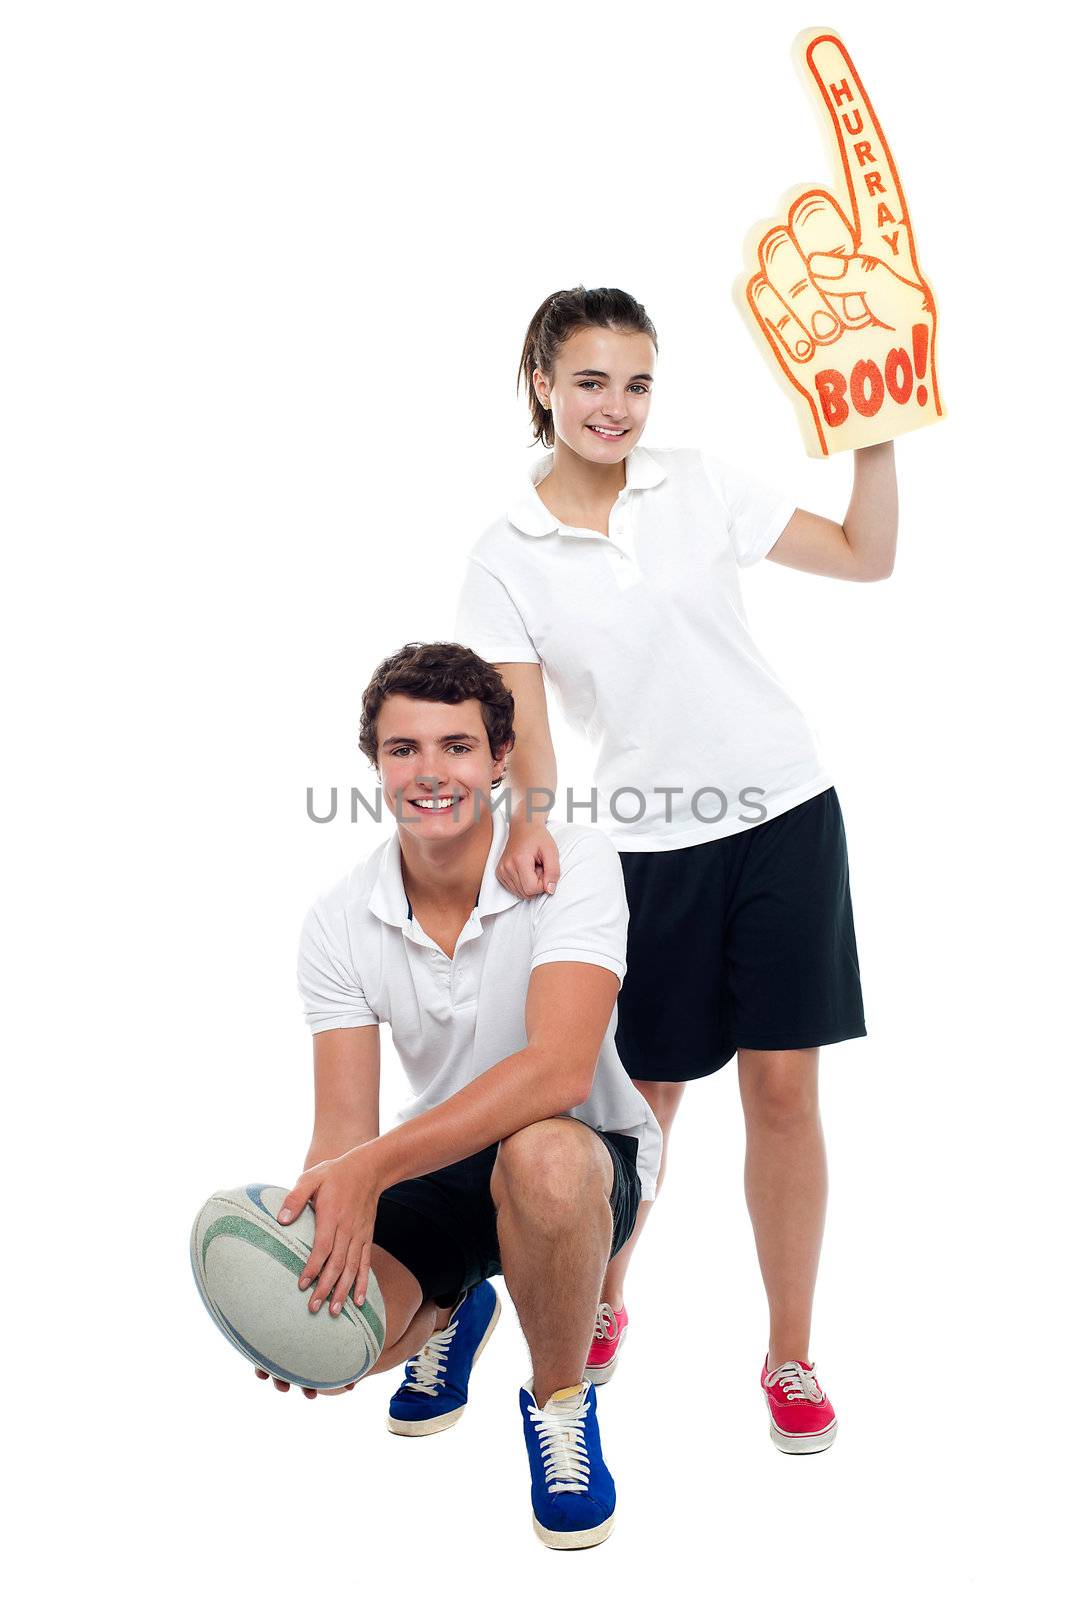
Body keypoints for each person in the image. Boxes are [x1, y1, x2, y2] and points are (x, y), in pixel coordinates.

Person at [453, 285, 898, 1454]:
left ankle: (790, 1355)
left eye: (638, 383)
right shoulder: (506, 554)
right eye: (592, 381)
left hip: (786, 812)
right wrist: (527, 822)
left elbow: (868, 555)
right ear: (543, 382)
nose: (618, 407)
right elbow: (532, 739)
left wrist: (876, 432)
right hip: (649, 848)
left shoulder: (697, 483)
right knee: (643, 1104)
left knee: (785, 1093)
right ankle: (600, 1297)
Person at [260, 641, 661, 1550]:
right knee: (343, 1347)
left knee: (543, 1154)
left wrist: (369, 1170)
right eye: (404, 750)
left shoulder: (574, 863)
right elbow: (342, 1131)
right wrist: (294, 1297)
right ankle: (458, 1304)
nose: (430, 772)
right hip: (438, 1160)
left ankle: (559, 1404)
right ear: (374, 764)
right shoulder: (338, 920)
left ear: (498, 761)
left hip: (584, 1151)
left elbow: (559, 1072)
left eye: (456, 746)